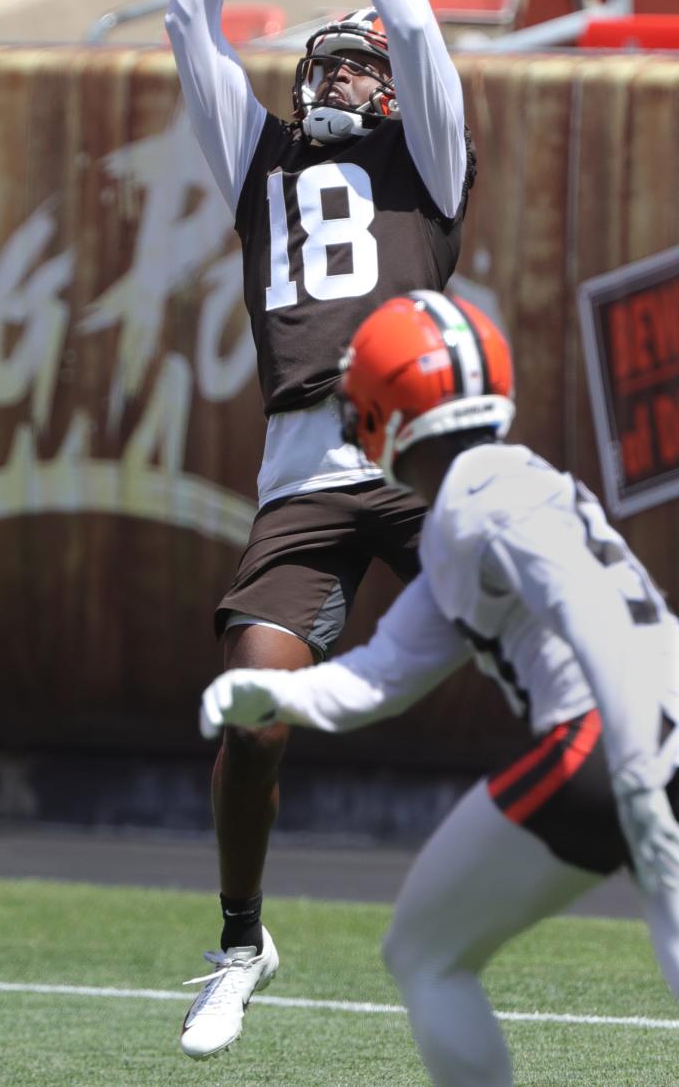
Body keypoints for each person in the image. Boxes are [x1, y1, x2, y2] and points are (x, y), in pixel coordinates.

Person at [165, 0, 476, 1060]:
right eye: (325, 57)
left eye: (362, 59)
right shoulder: (262, 161)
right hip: (302, 467)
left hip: (425, 453)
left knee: (572, 656)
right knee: (251, 702)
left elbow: (413, 22)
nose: (344, 67)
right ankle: (241, 941)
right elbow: (189, 22)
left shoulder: (431, 161)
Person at [201, 288, 679, 1086]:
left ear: (386, 406)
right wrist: (275, 698)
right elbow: (382, 676)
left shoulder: (477, 497)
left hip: (619, 735)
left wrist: (637, 773)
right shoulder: (482, 494)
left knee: (425, 952)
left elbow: (587, 607)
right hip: (646, 723)